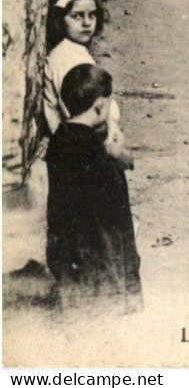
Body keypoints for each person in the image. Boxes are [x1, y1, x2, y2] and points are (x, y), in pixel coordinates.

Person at [46, 64, 142, 313]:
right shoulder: (95, 156)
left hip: (67, 251)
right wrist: (116, 160)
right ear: (99, 105)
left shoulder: (60, 140)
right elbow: (113, 209)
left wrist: (112, 154)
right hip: (97, 257)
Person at [44, 0, 132, 168]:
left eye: (92, 15)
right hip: (82, 152)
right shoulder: (66, 60)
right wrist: (112, 151)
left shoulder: (76, 50)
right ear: (60, 20)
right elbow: (79, 115)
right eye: (77, 16)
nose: (86, 23)